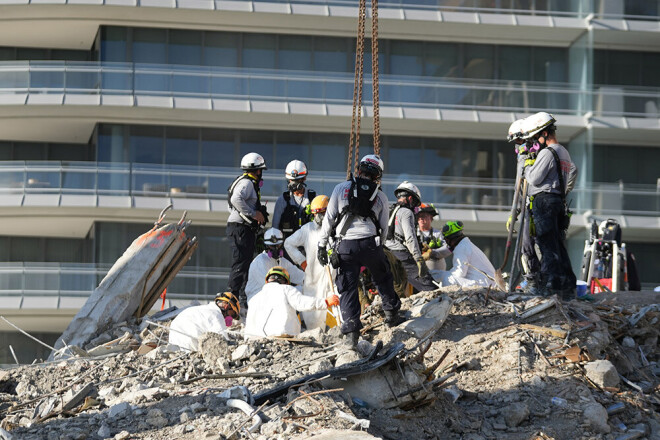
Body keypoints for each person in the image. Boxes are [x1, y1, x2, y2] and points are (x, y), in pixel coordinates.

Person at [318, 154, 405, 348]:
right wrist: (377, 247)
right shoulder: (381, 196)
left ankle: (351, 333)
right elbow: (384, 228)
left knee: (348, 287)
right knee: (382, 275)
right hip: (370, 243)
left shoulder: (340, 189)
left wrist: (322, 245)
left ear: (358, 171)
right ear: (377, 177)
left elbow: (329, 219)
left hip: (345, 246)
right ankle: (391, 313)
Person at [521, 112, 578, 299]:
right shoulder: (564, 151)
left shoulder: (548, 152)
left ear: (544, 133)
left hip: (544, 200)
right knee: (557, 245)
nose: (536, 141)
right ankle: (567, 286)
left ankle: (549, 286)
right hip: (556, 201)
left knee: (546, 245)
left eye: (537, 136)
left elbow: (534, 178)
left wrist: (526, 164)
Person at [284, 195, 337, 330]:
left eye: (322, 213)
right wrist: (302, 262)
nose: (319, 217)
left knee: (335, 312)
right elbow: (288, 243)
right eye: (316, 214)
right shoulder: (308, 229)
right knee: (312, 315)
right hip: (313, 279)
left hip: (333, 279)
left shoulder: (336, 228)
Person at [245, 266, 339, 338]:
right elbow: (301, 303)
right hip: (280, 336)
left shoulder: (254, 298)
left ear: (267, 281)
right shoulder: (286, 289)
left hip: (254, 339)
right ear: (286, 281)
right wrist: (325, 302)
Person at [226, 153, 268, 309]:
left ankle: (241, 300)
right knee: (240, 264)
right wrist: (253, 213)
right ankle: (232, 300)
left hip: (242, 228)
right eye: (261, 170)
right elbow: (235, 199)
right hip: (240, 229)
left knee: (245, 264)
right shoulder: (247, 183)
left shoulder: (242, 182)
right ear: (257, 170)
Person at [506, 118, 542, 295]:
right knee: (526, 245)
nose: (517, 146)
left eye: (519, 141)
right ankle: (533, 280)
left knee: (532, 245)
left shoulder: (539, 154)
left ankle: (536, 281)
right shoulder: (524, 156)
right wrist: (515, 212)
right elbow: (518, 187)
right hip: (529, 205)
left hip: (539, 205)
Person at [385, 181, 437, 293]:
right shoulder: (406, 212)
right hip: (401, 255)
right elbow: (410, 238)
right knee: (429, 285)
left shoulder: (389, 210)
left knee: (400, 288)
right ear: (410, 198)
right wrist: (419, 259)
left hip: (386, 253)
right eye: (414, 202)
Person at [245, 228, 305, 302]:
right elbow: (271, 288)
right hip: (258, 301)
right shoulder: (259, 262)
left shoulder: (282, 261)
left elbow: (300, 277)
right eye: (271, 246)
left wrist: (312, 282)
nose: (275, 249)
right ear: (266, 246)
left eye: (278, 245)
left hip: (274, 300)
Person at [169, 292, 240, 351]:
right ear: (226, 306)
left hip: (173, 346)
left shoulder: (199, 309)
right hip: (188, 348)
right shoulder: (216, 315)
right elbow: (224, 342)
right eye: (232, 314)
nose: (231, 318)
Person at [435, 221, 496, 288]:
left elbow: (459, 274)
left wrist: (436, 275)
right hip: (486, 283)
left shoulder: (461, 248)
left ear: (449, 239)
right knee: (447, 277)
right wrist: (436, 274)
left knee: (448, 279)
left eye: (446, 240)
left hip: (483, 284)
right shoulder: (466, 245)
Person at [271, 160, 316, 239]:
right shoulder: (282, 200)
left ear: (304, 178)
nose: (293, 184)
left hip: (308, 244)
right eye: (291, 180)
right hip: (287, 245)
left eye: (296, 180)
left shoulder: (313, 198)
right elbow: (275, 228)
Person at [416, 203, 451, 272]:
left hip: (437, 270)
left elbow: (448, 249)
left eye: (424, 216)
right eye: (419, 217)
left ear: (431, 218)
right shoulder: (413, 234)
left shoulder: (438, 234)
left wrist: (432, 252)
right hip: (418, 270)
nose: (421, 219)